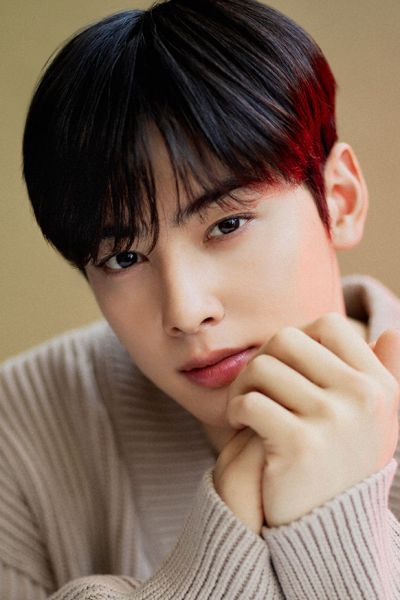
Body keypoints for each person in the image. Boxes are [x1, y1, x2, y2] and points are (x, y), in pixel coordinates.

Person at [1, 0, 400, 597]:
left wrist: (335, 518)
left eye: (227, 225)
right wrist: (218, 549)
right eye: (123, 258)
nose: (186, 312)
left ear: (339, 199)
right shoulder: (22, 428)